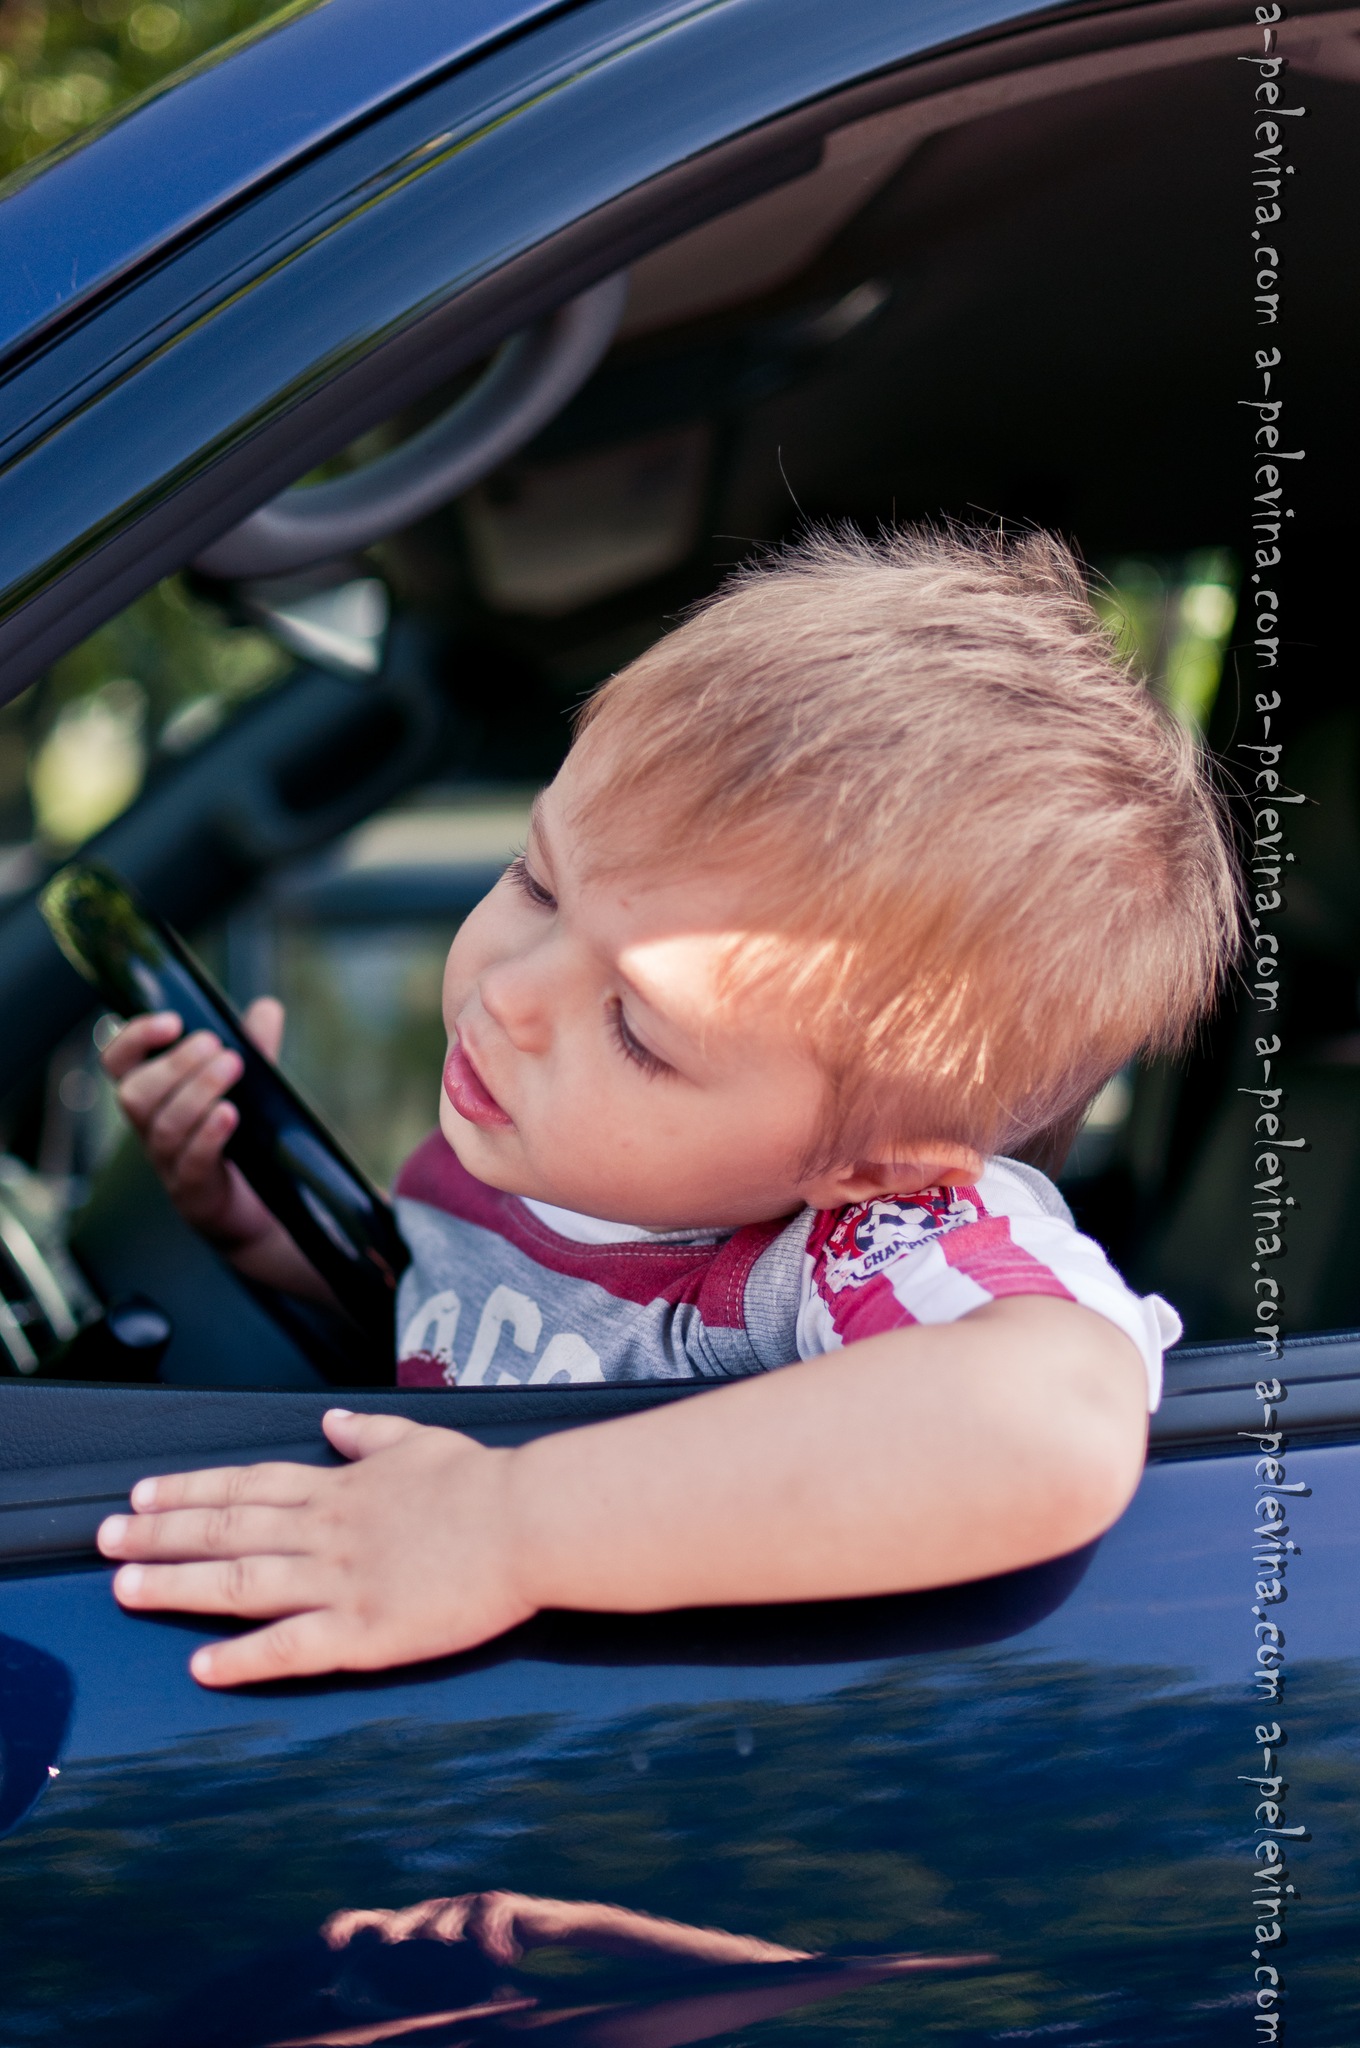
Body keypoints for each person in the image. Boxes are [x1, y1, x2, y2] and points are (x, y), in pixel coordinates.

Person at [95, 524, 1239, 1688]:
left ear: (872, 1162)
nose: (507, 992)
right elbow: (450, 1300)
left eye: (637, 1027)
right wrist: (254, 1225)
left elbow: (1049, 1417)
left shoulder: (849, 1250)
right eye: (536, 882)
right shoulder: (532, 1151)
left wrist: (503, 1524)